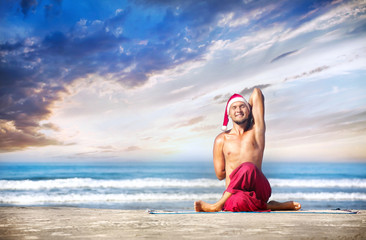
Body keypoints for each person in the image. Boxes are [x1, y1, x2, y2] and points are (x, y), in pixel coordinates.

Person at [194, 88, 301, 212]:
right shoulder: (221, 139)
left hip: (259, 188)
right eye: (234, 108)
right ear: (228, 113)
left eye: (242, 106)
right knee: (238, 203)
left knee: (248, 167)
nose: (238, 110)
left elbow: (257, 93)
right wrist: (237, 173)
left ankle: (216, 205)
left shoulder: (256, 132)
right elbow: (219, 175)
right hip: (235, 194)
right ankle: (273, 206)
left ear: (249, 110)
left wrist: (248, 110)